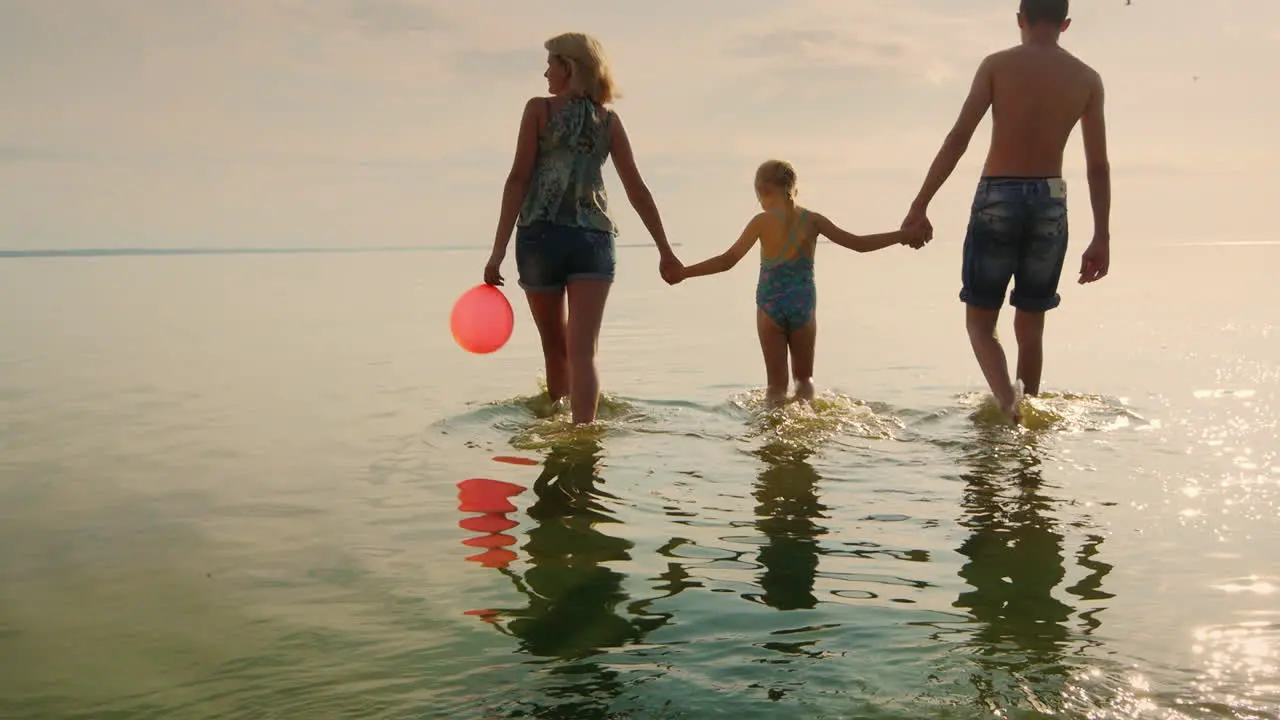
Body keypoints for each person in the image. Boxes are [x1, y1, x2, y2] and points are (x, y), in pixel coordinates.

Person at [902, 0, 1111, 424]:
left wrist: (920, 203)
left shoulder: (996, 66)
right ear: (1065, 24)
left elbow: (959, 137)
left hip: (998, 194)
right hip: (1052, 199)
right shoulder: (1087, 79)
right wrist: (1102, 234)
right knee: (1031, 329)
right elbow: (1097, 165)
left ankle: (1009, 406)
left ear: (1021, 20)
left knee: (980, 323)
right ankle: (1027, 420)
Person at [483, 32, 682, 424]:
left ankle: (558, 436)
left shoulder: (538, 110)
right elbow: (637, 190)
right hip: (592, 239)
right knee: (584, 352)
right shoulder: (608, 121)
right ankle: (584, 436)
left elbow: (517, 180)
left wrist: (497, 252)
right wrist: (665, 250)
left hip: (540, 238)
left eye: (551, 64)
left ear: (568, 68)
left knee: (555, 349)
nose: (545, 72)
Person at [671, 160, 929, 406]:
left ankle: (774, 431)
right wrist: (902, 235)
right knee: (804, 381)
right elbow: (858, 244)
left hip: (770, 305)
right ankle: (806, 422)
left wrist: (684, 272)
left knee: (775, 387)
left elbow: (728, 260)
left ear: (762, 191)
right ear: (793, 187)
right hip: (803, 305)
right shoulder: (812, 220)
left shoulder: (761, 222)